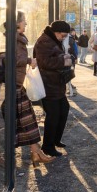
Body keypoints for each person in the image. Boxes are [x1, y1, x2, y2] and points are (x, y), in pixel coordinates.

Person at [3, 11, 55, 166]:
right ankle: (33, 152)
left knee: (27, 119)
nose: (26, 23)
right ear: (17, 23)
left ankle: (36, 152)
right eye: (24, 21)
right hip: (14, 85)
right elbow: (12, 59)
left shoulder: (16, 39)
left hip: (17, 84)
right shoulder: (14, 40)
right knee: (25, 120)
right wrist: (29, 60)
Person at [33, 20, 75, 157]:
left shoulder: (52, 40)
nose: (64, 38)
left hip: (55, 84)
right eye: (63, 35)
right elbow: (44, 62)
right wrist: (65, 60)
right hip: (48, 85)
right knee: (53, 115)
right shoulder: (44, 42)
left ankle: (55, 140)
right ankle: (48, 146)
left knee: (63, 110)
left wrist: (65, 57)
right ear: (56, 32)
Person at [63, 28, 79, 97]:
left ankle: (69, 90)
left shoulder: (64, 38)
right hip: (69, 58)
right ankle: (70, 90)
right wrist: (75, 57)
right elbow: (75, 49)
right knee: (69, 73)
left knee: (67, 74)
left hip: (65, 58)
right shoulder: (70, 39)